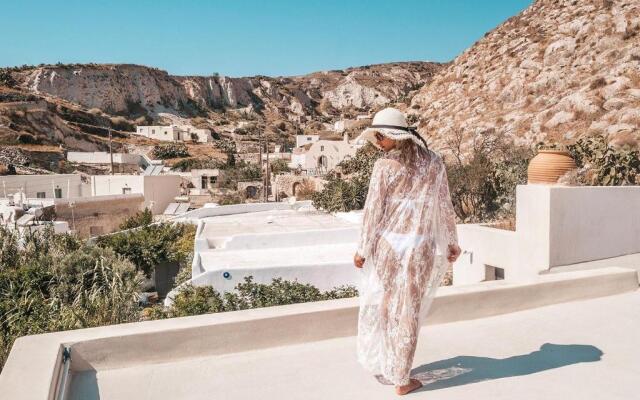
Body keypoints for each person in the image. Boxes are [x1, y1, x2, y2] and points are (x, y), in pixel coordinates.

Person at [353, 108, 461, 395]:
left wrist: (362, 249)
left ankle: (393, 367)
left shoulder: (384, 167)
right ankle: (401, 374)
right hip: (420, 246)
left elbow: (373, 211)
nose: (376, 140)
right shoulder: (434, 162)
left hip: (388, 244)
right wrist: (451, 241)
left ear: (394, 135)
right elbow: (444, 204)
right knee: (408, 308)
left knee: (389, 301)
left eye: (380, 135)